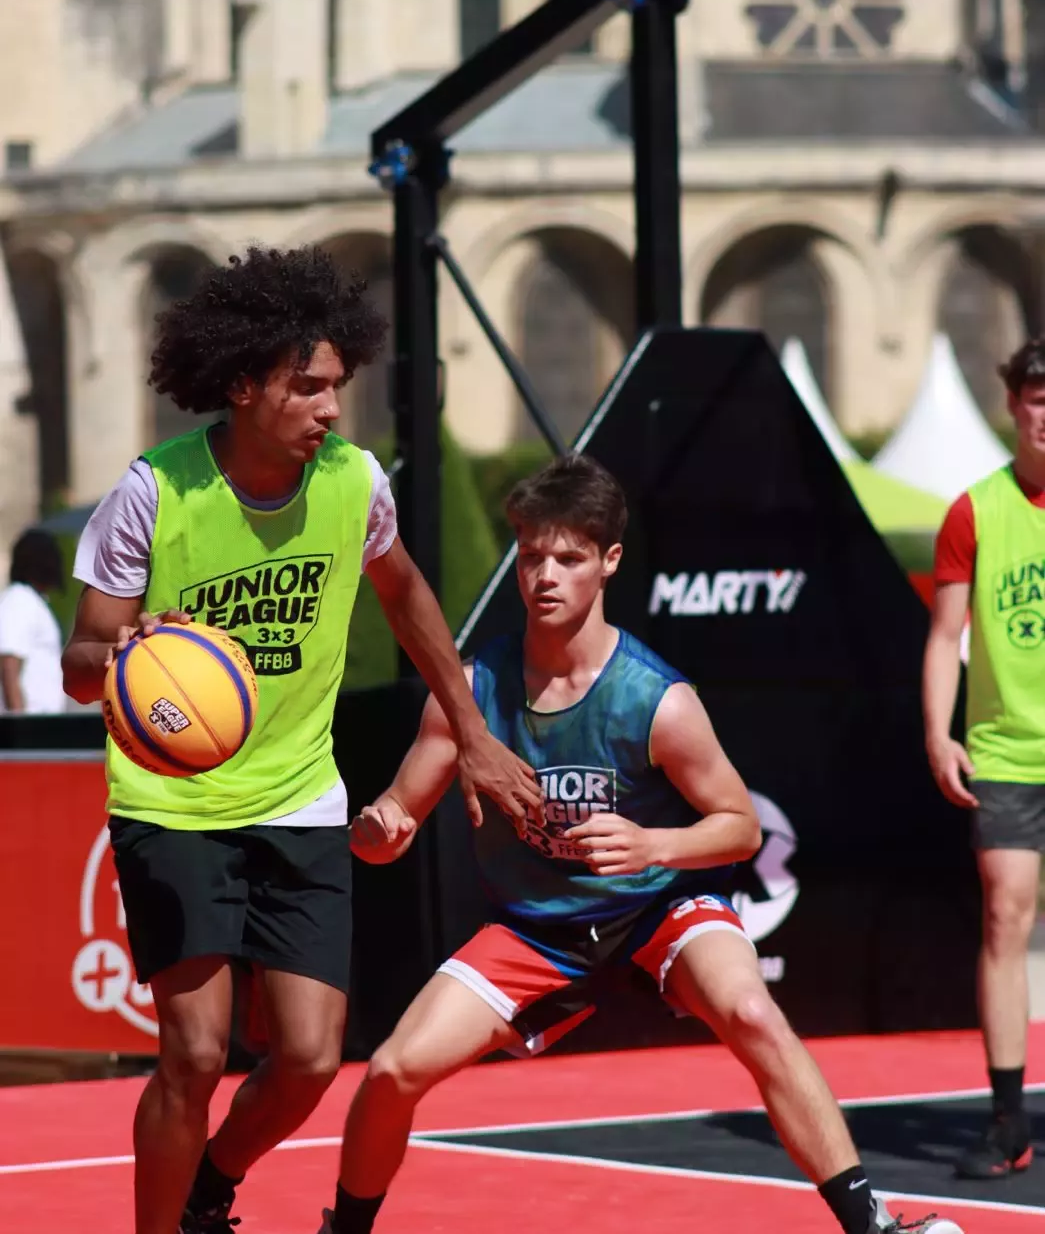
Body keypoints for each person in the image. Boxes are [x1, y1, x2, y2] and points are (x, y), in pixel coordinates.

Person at [325, 454, 957, 1234]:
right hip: (539, 926)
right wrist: (378, 829)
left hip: (658, 905)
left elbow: (741, 824)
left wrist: (651, 843)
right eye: (529, 557)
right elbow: (395, 819)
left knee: (752, 1013)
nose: (544, 576)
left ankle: (873, 1224)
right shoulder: (472, 687)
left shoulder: (656, 699)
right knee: (391, 1069)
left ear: (608, 561)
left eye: (568, 558)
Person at [61, 245, 542, 1234]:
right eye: (307, 386)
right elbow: (78, 658)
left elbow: (410, 603)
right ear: (244, 386)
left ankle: (208, 1185)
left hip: (298, 799)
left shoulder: (353, 482)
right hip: (174, 804)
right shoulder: (154, 492)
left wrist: (474, 732)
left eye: (337, 386)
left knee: (314, 1057)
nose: (330, 407)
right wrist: (125, 653)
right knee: (193, 1054)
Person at [924, 336, 1045, 1179]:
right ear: (1012, 405)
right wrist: (938, 730)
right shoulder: (974, 509)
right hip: (1005, 748)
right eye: (1036, 397)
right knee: (1005, 914)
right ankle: (1008, 1120)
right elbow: (943, 636)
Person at [0, 527, 66, 714]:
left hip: (40, 729)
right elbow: (9, 664)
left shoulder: (32, 601)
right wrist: (20, 729)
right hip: (29, 730)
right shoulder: (19, 600)